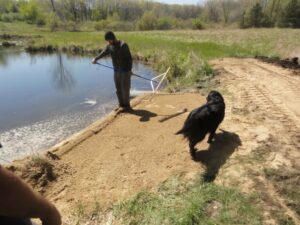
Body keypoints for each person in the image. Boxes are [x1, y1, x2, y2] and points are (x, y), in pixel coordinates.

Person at [92, 31, 133, 110]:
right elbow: (103, 53)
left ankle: (127, 106)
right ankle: (121, 105)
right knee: (118, 89)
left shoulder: (123, 45)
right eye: (107, 41)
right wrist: (96, 59)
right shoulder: (109, 46)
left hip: (125, 71)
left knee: (125, 89)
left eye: (109, 40)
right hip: (116, 71)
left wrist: (129, 70)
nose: (108, 42)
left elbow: (129, 59)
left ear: (113, 38)